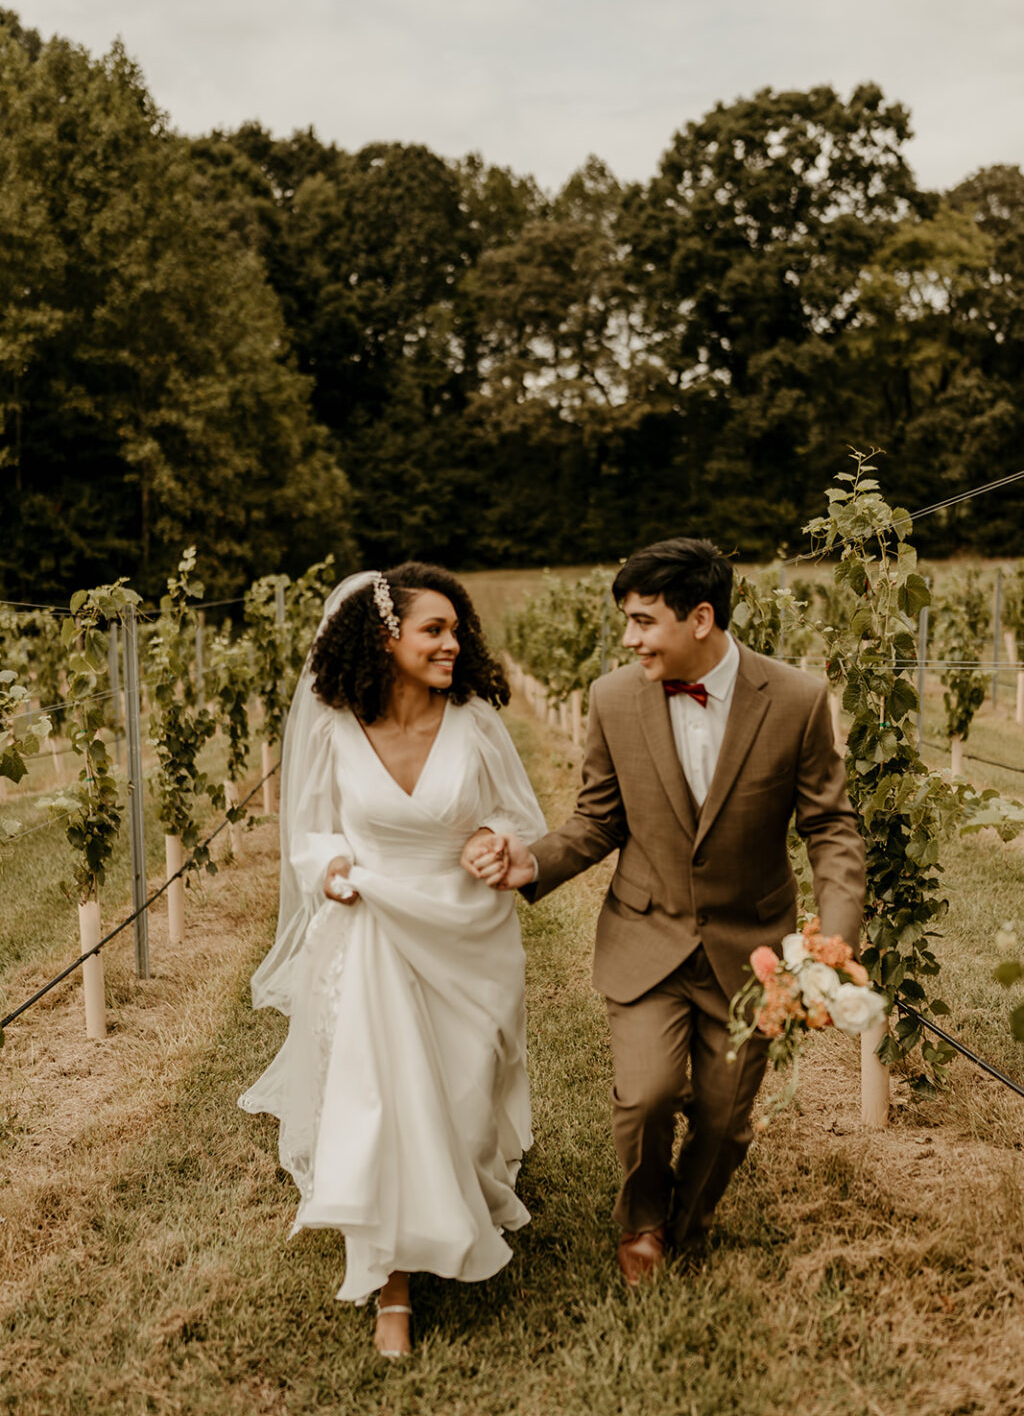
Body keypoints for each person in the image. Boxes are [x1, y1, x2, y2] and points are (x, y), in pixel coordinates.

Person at [463, 537, 865, 1286]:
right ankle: (642, 1224)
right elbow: (598, 820)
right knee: (645, 1095)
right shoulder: (613, 700)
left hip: (755, 950)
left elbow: (830, 827)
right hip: (646, 934)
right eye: (628, 621)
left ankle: (690, 1224)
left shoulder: (799, 701)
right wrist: (535, 861)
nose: (629, 638)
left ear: (701, 618)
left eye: (645, 621)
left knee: (723, 1116)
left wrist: (834, 942)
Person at [240, 563, 546, 1358]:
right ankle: (393, 1283)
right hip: (371, 924)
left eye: (455, 630)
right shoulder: (338, 726)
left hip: (469, 931)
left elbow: (520, 814)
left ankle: (462, 1196)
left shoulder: (474, 719)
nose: (453, 643)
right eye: (433, 630)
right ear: (386, 637)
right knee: (383, 1102)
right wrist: (332, 867)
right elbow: (311, 833)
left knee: (464, 1093)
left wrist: (493, 840)